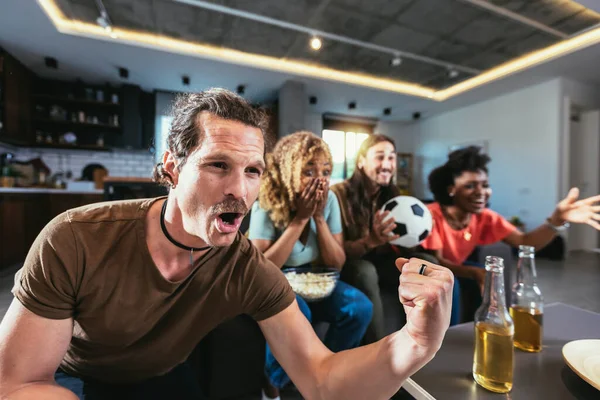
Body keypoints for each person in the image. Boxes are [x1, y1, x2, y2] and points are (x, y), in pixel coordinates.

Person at [0, 89, 453, 400]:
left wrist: (415, 343)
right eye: (218, 165)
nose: (240, 189)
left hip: (162, 377)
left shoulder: (245, 268)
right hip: (77, 381)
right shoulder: (75, 238)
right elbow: (17, 384)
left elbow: (321, 379)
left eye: (253, 170)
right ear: (172, 168)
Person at [248, 131, 373, 400]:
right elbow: (262, 269)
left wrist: (319, 218)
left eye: (326, 171)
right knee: (298, 312)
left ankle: (328, 370)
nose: (320, 179)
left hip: (316, 279)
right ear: (289, 170)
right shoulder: (266, 202)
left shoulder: (329, 201)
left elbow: (337, 262)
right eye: (309, 170)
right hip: (277, 282)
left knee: (359, 308)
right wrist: (300, 220)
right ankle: (276, 381)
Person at [422, 146, 600, 322]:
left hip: (454, 267)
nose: (481, 192)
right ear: (451, 189)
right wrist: (474, 272)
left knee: (484, 276)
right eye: (470, 186)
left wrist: (557, 219)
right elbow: (437, 262)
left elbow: (525, 242)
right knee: (451, 283)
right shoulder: (431, 216)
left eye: (485, 185)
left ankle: (479, 328)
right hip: (427, 270)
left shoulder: (485, 217)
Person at [331, 134, 438, 344]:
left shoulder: (394, 195)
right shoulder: (337, 194)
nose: (387, 164)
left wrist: (420, 231)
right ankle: (380, 349)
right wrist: (371, 240)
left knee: (428, 262)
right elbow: (338, 252)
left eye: (391, 158)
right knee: (365, 270)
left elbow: (403, 246)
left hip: (384, 263)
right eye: (380, 157)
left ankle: (423, 340)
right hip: (352, 265)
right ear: (361, 161)